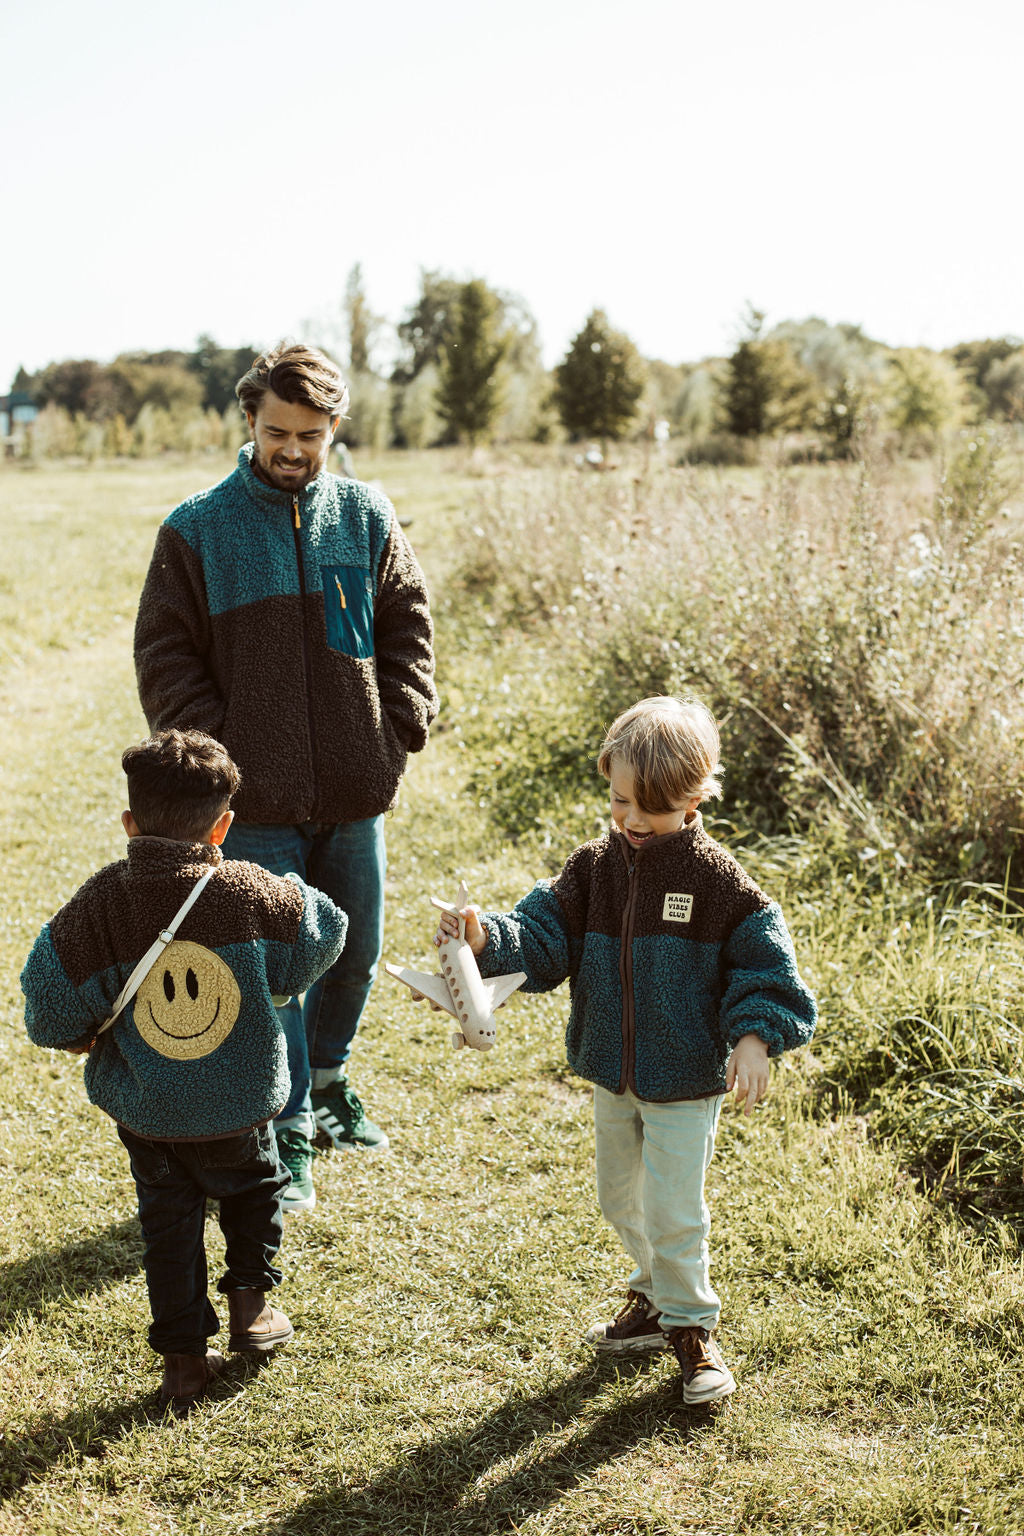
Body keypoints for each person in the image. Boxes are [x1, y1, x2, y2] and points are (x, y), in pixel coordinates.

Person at [432, 697, 816, 1405]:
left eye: (654, 809)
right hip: (613, 1072)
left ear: (697, 797)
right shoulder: (591, 871)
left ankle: (693, 1331)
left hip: (684, 1080)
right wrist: (486, 940)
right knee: (620, 1199)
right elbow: (541, 940)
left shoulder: (720, 882)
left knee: (674, 1209)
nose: (634, 821)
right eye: (620, 802)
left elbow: (766, 966)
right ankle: (651, 1299)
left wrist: (756, 1037)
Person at [134, 343, 438, 1212]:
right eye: (278, 432)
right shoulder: (197, 528)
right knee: (278, 971)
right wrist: (217, 761)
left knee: (353, 954)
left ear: (334, 429)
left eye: (311, 434)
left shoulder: (367, 516)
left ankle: (332, 1082)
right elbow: (165, 656)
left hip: (355, 789)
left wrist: (400, 722)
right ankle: (288, 1126)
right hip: (254, 804)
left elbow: (406, 623)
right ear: (249, 421)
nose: (293, 449)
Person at [20, 730, 348, 1412]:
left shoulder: (100, 903)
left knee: (167, 1229)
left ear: (130, 823)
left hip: (151, 1114)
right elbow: (328, 927)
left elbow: (48, 1002)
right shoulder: (248, 888)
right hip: (240, 1107)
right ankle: (251, 1309)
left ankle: (183, 1365)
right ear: (224, 824)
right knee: (256, 1191)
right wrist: (277, 972)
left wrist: (80, 1036)